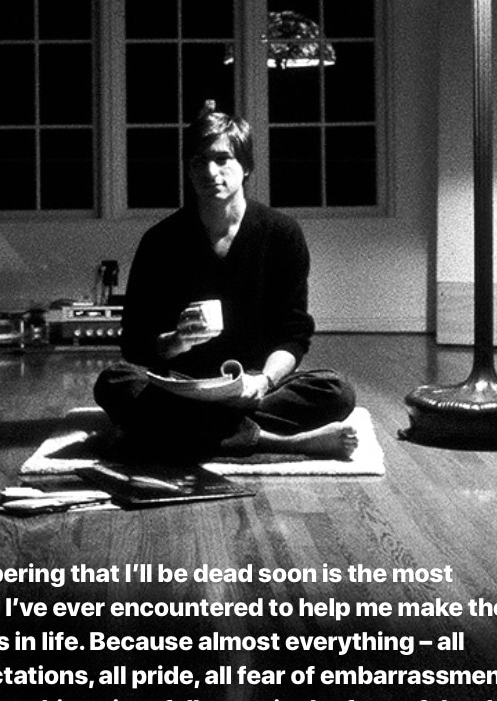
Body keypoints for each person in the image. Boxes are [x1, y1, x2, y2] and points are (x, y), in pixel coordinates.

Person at [94, 101, 357, 460]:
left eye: (222, 159)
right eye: (198, 161)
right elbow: (135, 344)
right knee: (113, 383)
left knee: (336, 391)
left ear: (246, 166)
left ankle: (169, 433)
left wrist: (263, 380)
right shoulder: (160, 241)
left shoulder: (282, 234)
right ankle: (278, 442)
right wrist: (175, 341)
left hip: (252, 386)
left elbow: (294, 334)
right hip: (182, 386)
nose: (209, 171)